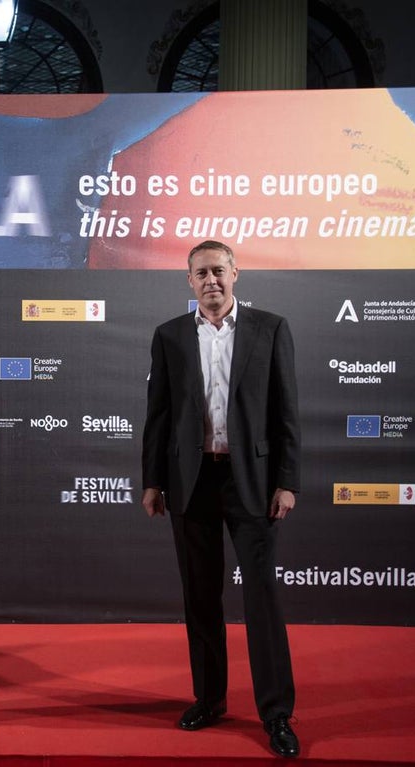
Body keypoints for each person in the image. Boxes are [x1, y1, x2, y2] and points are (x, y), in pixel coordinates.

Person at [141, 240, 301, 758]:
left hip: (251, 481)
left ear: (235, 275)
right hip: (191, 482)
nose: (211, 280)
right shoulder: (168, 336)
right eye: (200, 273)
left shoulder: (270, 329)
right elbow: (158, 417)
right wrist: (152, 481)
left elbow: (286, 414)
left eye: (218, 271)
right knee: (200, 598)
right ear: (189, 281)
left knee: (261, 600)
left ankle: (276, 714)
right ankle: (209, 699)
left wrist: (287, 481)